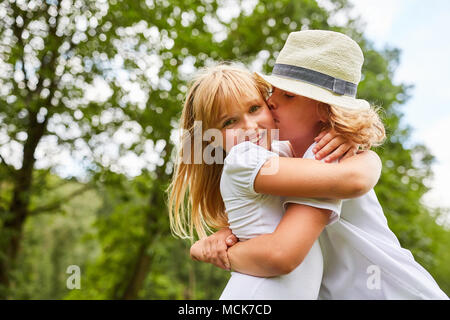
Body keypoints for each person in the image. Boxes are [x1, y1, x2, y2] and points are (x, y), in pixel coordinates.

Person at [190, 30, 449, 300]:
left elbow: (281, 253)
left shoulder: (327, 155)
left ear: (324, 110)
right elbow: (262, 207)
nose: (271, 101)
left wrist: (223, 254)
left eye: (288, 95)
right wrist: (224, 233)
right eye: (273, 91)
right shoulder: (280, 154)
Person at [168, 60, 382, 299]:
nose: (249, 127)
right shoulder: (243, 158)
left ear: (268, 106)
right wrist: (366, 155)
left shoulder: (281, 153)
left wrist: (347, 136)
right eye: (229, 122)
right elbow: (349, 180)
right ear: (212, 140)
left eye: (254, 109)